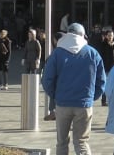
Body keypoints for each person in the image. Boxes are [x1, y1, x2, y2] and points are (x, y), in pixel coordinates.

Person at [43, 22, 106, 155]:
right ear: (83, 35)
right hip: (84, 104)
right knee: (82, 142)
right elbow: (101, 81)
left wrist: (56, 95)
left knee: (61, 143)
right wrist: (91, 97)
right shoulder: (93, 53)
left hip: (63, 103)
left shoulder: (57, 53)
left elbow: (47, 79)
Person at [97, 27, 114, 106]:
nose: (111, 37)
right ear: (106, 36)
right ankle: (104, 101)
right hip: (107, 67)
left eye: (112, 35)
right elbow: (101, 56)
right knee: (106, 84)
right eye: (109, 35)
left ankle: (113, 99)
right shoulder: (103, 44)